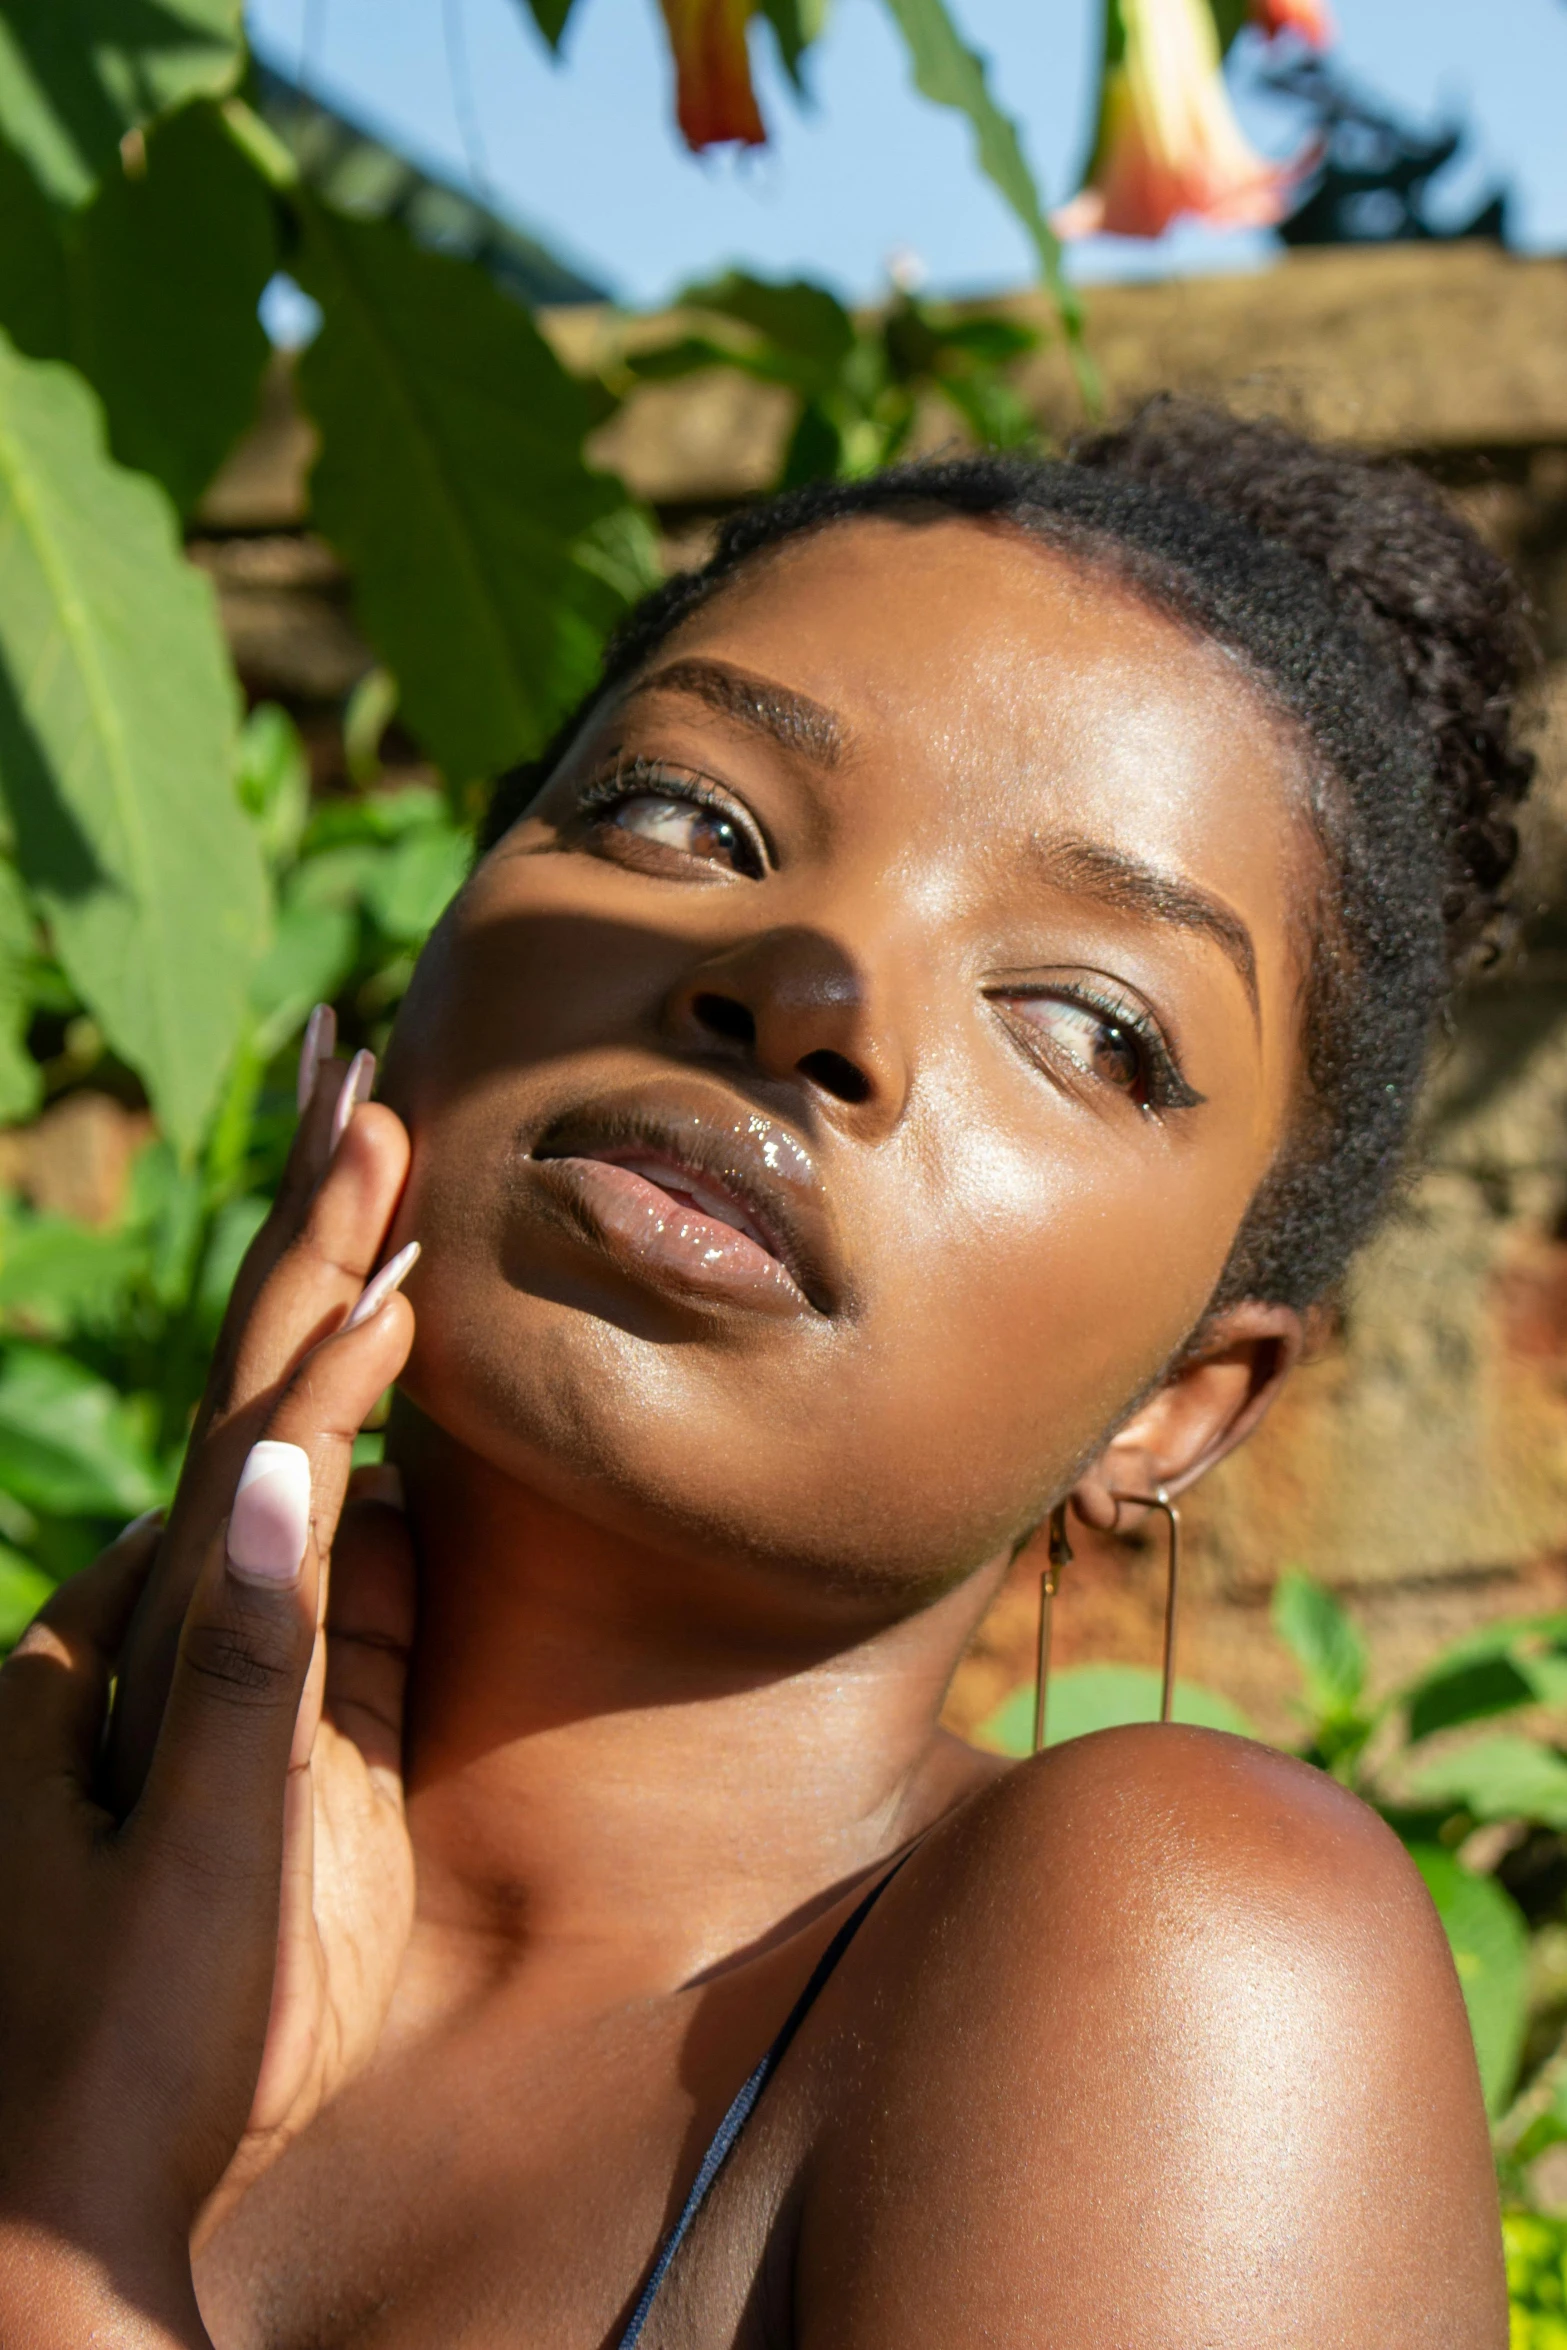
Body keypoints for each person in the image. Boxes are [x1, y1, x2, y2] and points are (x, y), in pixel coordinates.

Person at [0, 401, 1529, 2347]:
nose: (810, 980)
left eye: (1080, 1014)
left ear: (1184, 1398)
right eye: (689, 817)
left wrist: (62, 2212)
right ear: (441, 949)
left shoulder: (1201, 1958)